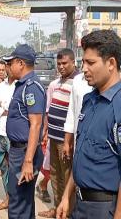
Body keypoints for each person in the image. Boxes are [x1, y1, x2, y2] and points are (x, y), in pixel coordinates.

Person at [57, 30, 121, 219]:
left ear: (111, 63)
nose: (84, 68)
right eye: (83, 62)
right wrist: (67, 196)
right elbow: (81, 155)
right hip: (80, 203)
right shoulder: (88, 100)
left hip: (104, 208)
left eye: (91, 63)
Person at [3, 44, 45, 219]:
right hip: (19, 150)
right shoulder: (22, 85)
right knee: (24, 203)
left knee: (17, 204)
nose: (8, 67)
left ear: (20, 63)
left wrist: (27, 161)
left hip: (24, 153)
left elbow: (35, 124)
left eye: (10, 62)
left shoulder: (31, 87)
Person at [38, 48, 79, 218]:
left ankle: (68, 211)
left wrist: (70, 141)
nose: (61, 67)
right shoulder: (55, 84)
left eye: (64, 63)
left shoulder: (79, 83)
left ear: (73, 63)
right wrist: (46, 131)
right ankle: (57, 208)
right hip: (53, 138)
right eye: (59, 64)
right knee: (54, 174)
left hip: (67, 140)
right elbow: (48, 110)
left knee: (68, 175)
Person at [0, 58, 17, 211]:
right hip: (1, 132)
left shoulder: (20, 87)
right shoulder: (0, 86)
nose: (8, 68)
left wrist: (6, 108)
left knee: (15, 168)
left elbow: (16, 109)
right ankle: (9, 196)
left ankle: (13, 199)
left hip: (13, 134)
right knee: (3, 165)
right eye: (7, 65)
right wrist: (4, 110)